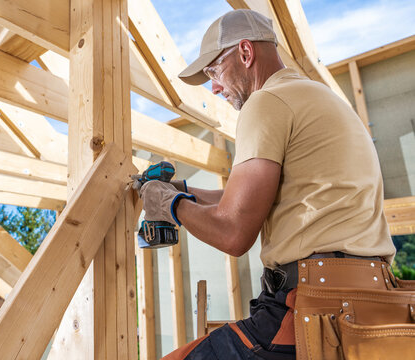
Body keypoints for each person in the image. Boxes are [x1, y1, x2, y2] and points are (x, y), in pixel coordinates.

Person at [137, 9, 396, 360]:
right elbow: (244, 199)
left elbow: (233, 232)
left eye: (214, 70)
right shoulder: (318, 98)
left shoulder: (266, 102)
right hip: (368, 302)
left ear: (245, 53)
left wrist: (169, 205)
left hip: (314, 307)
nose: (213, 86)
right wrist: (184, 188)